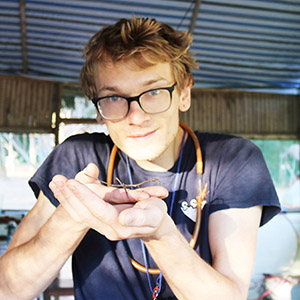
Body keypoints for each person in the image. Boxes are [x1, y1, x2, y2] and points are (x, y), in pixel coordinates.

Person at [0, 15, 280, 300]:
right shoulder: (77, 159)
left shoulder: (232, 160)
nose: (136, 116)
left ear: (183, 93)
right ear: (98, 110)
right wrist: (72, 215)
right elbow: (7, 289)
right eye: (113, 98)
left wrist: (162, 236)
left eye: (155, 91)